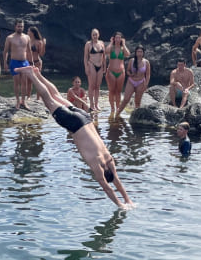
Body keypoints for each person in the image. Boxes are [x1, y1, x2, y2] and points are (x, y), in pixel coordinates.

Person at [18, 66, 134, 208]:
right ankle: (32, 75)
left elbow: (117, 181)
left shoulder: (109, 158)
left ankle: (38, 74)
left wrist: (128, 200)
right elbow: (107, 187)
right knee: (48, 100)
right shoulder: (97, 165)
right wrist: (120, 205)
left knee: (57, 96)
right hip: (75, 125)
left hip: (85, 118)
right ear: (104, 173)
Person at [2, 18, 32, 109]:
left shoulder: (27, 37)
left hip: (24, 62)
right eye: (18, 26)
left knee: (24, 83)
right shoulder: (10, 38)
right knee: (16, 83)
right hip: (14, 62)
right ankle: (18, 101)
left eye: (22, 26)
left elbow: (29, 51)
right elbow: (5, 51)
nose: (20, 28)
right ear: (15, 26)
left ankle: (24, 101)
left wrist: (32, 63)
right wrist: (5, 63)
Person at [116, 46, 151, 115]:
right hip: (131, 81)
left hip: (141, 82)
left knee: (137, 101)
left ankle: (135, 116)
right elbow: (128, 70)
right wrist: (130, 74)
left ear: (143, 53)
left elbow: (148, 75)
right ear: (135, 52)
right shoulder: (132, 61)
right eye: (138, 52)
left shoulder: (146, 62)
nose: (139, 53)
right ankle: (117, 113)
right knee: (126, 99)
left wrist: (146, 84)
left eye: (141, 52)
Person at [104, 32, 131, 115]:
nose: (118, 39)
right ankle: (112, 108)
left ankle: (118, 107)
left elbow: (128, 54)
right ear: (114, 38)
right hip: (111, 71)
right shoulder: (111, 47)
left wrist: (124, 44)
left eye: (119, 38)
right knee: (112, 90)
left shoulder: (123, 48)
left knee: (118, 91)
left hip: (121, 72)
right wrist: (111, 42)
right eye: (116, 38)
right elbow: (106, 51)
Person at [83, 28, 106, 112]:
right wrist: (86, 67)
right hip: (91, 64)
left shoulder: (102, 43)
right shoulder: (88, 44)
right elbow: (85, 57)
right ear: (91, 36)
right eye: (93, 34)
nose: (95, 36)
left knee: (98, 86)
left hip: (100, 66)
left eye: (96, 34)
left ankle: (97, 104)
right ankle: (92, 104)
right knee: (92, 85)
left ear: (98, 35)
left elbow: (104, 56)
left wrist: (104, 66)